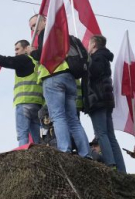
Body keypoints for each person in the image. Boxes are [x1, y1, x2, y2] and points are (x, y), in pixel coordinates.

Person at [28, 14, 90, 156]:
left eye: (34, 24)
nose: (33, 29)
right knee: (73, 120)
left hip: (52, 77)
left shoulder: (46, 33)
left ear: (44, 21)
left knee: (57, 116)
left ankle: (64, 151)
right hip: (68, 77)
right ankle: (85, 153)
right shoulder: (62, 34)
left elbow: (43, 55)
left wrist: (32, 52)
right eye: (31, 26)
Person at [85, 35, 125, 172]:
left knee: (101, 133)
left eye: (89, 44)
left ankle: (110, 165)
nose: (87, 47)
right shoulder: (105, 58)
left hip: (98, 100)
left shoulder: (97, 58)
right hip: (107, 100)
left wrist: (86, 63)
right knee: (110, 135)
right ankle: (120, 168)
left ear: (94, 44)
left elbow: (92, 73)